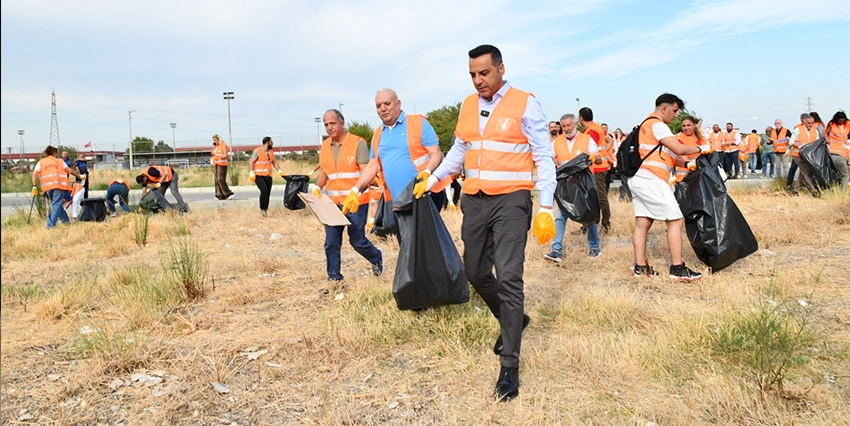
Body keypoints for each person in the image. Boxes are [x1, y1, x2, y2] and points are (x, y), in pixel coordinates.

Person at [412, 45, 556, 402]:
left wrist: (546, 206)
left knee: (509, 277)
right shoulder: (467, 105)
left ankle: (509, 365)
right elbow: (459, 152)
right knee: (475, 273)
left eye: (484, 74)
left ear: (501, 69)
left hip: (512, 200)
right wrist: (432, 180)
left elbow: (543, 155)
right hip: (474, 201)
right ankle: (515, 319)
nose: (479, 81)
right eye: (473, 75)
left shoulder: (525, 102)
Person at [630, 93, 705, 281]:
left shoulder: (644, 126)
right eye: (674, 111)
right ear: (664, 109)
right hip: (651, 179)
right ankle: (677, 268)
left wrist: (686, 164)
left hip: (639, 178)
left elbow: (668, 155)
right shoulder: (657, 125)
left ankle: (640, 267)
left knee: (643, 223)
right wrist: (701, 149)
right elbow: (679, 148)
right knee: (676, 220)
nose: (676, 116)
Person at [342, 88, 448, 219]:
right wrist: (355, 190)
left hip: (424, 194)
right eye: (378, 106)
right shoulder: (378, 133)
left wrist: (427, 172)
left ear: (398, 103)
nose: (383, 108)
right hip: (398, 199)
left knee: (424, 239)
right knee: (405, 238)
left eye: (387, 103)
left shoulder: (418, 123)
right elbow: (372, 165)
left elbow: (436, 153)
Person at [312, 109, 383, 281]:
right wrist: (316, 188)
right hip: (332, 204)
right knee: (331, 243)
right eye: (326, 125)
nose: (329, 128)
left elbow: (367, 172)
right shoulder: (325, 146)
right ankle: (334, 278)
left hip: (355, 203)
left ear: (342, 123)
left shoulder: (358, 143)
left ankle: (376, 258)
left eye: (333, 123)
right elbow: (324, 172)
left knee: (357, 241)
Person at [543, 113, 602, 262]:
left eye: (569, 125)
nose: (567, 128)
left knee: (589, 214)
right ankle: (556, 249)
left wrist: (594, 157)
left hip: (583, 183)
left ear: (576, 125)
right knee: (560, 216)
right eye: (564, 126)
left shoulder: (586, 139)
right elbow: (549, 160)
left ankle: (594, 248)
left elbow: (599, 158)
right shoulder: (556, 142)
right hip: (565, 185)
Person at [31, 145, 82, 229]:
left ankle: (66, 222)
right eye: (57, 152)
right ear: (54, 152)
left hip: (47, 187)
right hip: (59, 185)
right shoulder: (59, 161)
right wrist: (79, 176)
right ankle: (50, 225)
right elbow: (70, 170)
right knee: (56, 204)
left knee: (56, 204)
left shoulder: (41, 162)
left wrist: (34, 186)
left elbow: (34, 173)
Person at [579, 107, 612, 234]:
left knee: (600, 198)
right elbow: (610, 140)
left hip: (596, 168)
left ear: (581, 118)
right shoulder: (596, 127)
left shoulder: (590, 131)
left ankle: (605, 225)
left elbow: (587, 151)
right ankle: (590, 225)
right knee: (596, 197)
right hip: (600, 167)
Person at [249, 136, 285, 217]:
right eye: (271, 142)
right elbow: (252, 161)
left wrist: (279, 170)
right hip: (258, 176)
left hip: (268, 176)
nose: (273, 143)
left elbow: (274, 162)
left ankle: (265, 210)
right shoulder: (258, 151)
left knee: (267, 193)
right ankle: (262, 209)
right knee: (264, 191)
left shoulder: (271, 151)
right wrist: (251, 172)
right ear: (267, 142)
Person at [789, 113, 820, 196]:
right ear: (804, 123)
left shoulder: (815, 131)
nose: (810, 125)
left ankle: (796, 190)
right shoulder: (798, 130)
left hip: (808, 156)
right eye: (808, 123)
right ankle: (814, 190)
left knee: (802, 173)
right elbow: (791, 142)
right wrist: (800, 146)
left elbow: (816, 143)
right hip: (798, 155)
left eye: (812, 123)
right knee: (805, 172)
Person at [674, 115, 707, 183]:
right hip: (684, 177)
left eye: (688, 125)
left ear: (694, 125)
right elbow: (682, 158)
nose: (686, 128)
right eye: (684, 126)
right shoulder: (680, 140)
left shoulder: (702, 139)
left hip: (701, 175)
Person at [824, 111, 849, 191]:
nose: (841, 122)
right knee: (844, 174)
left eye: (843, 120)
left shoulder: (848, 123)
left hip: (844, 145)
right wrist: (827, 139)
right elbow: (825, 133)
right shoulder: (831, 124)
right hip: (833, 147)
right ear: (836, 119)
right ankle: (842, 190)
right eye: (840, 120)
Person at [212, 134, 235, 200]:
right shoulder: (216, 147)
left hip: (222, 164)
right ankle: (219, 194)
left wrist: (219, 157)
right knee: (216, 179)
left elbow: (225, 154)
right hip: (216, 164)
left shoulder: (223, 145)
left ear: (218, 139)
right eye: (213, 140)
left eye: (215, 140)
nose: (214, 141)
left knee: (220, 179)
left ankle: (228, 193)